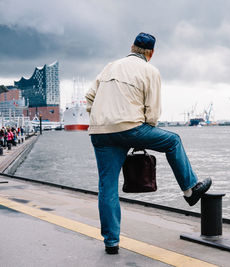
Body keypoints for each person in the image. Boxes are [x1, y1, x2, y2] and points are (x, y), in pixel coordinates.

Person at [86, 32, 212, 255]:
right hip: (130, 128)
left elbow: (89, 98)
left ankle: (111, 242)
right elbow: (152, 114)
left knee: (107, 186)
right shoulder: (150, 71)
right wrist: (138, 132)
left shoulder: (109, 66)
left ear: (132, 47)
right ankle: (190, 190)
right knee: (173, 141)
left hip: (100, 132)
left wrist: (102, 119)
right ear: (151, 53)